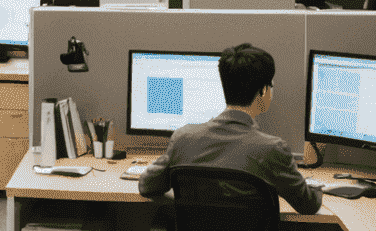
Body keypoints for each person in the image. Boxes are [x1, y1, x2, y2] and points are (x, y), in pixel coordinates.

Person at [138, 42, 322, 214]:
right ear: (263, 91)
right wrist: (316, 186)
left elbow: (147, 186)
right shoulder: (272, 149)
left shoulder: (183, 138)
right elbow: (308, 205)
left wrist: (183, 204)